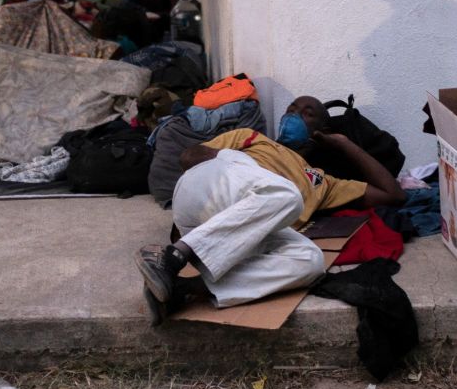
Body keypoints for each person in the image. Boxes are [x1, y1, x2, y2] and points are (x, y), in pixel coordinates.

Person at [134, 122, 405, 326]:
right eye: (294, 107)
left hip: (232, 236)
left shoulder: (326, 184)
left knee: (311, 260)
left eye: (307, 112)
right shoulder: (255, 139)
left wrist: (345, 143)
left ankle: (180, 289)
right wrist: (226, 163)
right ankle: (172, 257)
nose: (294, 115)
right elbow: (187, 158)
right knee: (286, 195)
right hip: (207, 188)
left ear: (321, 131)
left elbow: (393, 194)